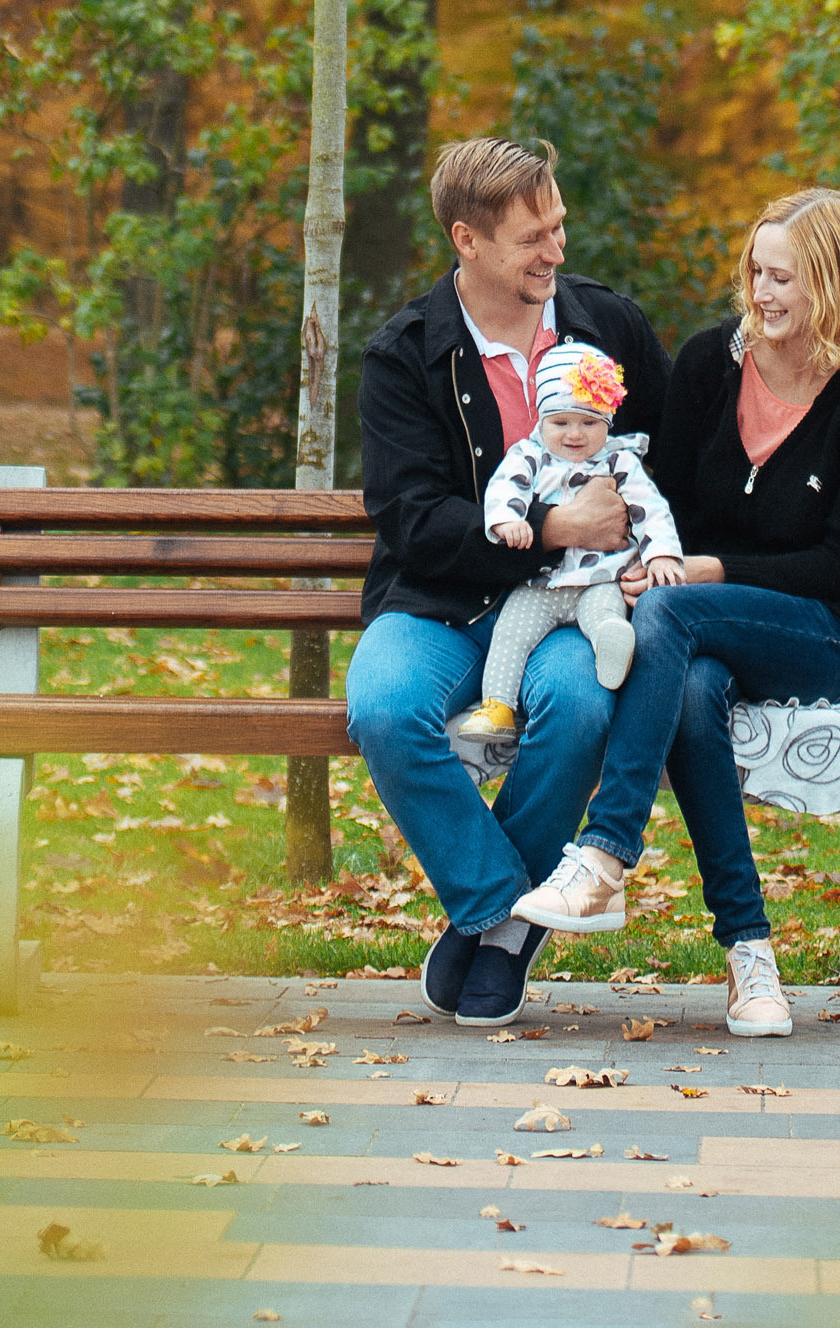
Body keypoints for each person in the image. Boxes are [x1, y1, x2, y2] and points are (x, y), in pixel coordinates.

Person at [512, 186, 840, 1041]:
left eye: (784, 278)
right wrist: (657, 563)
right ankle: (748, 953)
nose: (762, 293)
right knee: (691, 689)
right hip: (694, 624)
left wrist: (707, 571)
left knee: (672, 616)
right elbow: (660, 501)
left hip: (817, 630)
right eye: (756, 272)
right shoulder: (707, 364)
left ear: (834, 282)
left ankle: (606, 852)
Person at [345, 136, 672, 1027]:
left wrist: (645, 555)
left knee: (580, 707)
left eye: (558, 227)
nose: (555, 250)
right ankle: (501, 915)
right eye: (533, 237)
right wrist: (553, 530)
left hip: (574, 606)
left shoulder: (608, 328)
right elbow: (410, 517)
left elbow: (673, 461)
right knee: (383, 708)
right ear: (468, 240)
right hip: (440, 603)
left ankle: (491, 938)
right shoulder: (407, 352)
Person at [453, 342, 686, 740]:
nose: (575, 434)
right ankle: (498, 707)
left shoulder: (619, 461)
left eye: (589, 423)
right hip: (541, 583)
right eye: (561, 422)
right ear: (541, 420)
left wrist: (662, 554)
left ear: (607, 423)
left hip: (601, 580)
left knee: (604, 617)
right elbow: (504, 488)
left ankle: (613, 646)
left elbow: (651, 509)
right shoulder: (529, 455)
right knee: (511, 632)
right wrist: (507, 520)